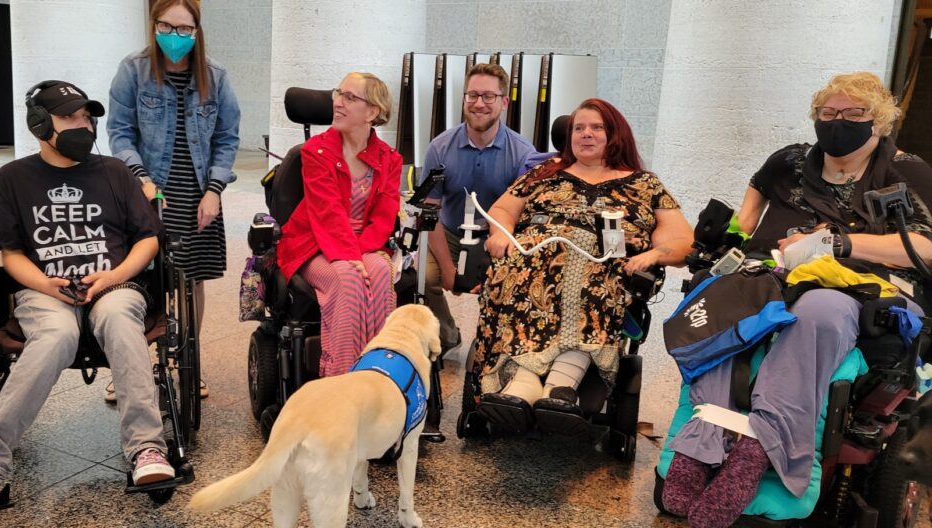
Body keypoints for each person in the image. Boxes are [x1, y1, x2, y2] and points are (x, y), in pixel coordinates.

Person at [661, 72, 932, 528]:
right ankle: (699, 444)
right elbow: (757, 189)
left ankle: (755, 453)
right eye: (828, 114)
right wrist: (737, 235)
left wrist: (841, 243)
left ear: (879, 123)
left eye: (853, 115)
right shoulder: (790, 160)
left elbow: (925, 245)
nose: (838, 123)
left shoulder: (906, 172)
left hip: (854, 285)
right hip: (772, 272)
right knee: (725, 305)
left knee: (815, 315)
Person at [0, 81, 174, 511]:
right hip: (45, 290)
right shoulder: (14, 178)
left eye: (87, 117)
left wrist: (113, 276)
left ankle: (146, 448)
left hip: (115, 284)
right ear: (39, 124)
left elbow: (148, 240)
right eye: (70, 117)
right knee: (54, 336)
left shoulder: (115, 173)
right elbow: (9, 252)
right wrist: (44, 283)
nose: (82, 125)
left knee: (121, 319)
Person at [472, 98, 693, 420]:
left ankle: (559, 384)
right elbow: (503, 209)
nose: (585, 134)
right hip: (531, 263)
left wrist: (652, 255)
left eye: (596, 127)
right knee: (530, 276)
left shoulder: (644, 183)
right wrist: (499, 234)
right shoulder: (544, 173)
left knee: (587, 273)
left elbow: (681, 239)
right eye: (579, 128)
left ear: (614, 135)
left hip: (606, 267)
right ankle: (525, 384)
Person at [107, 0, 241, 400]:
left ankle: (187, 363)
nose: (175, 36)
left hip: (198, 193)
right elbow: (119, 132)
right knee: (141, 279)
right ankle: (131, 369)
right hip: (147, 191)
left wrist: (214, 192)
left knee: (192, 281)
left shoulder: (215, 75)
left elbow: (227, 137)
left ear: (197, 31)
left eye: (184, 29)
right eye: (167, 26)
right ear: (154, 25)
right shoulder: (133, 69)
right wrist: (141, 179)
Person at [276, 72, 403, 377]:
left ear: (372, 112)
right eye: (338, 93)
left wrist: (359, 254)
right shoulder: (315, 151)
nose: (338, 102)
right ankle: (340, 377)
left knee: (381, 274)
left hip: (366, 243)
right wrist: (350, 257)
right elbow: (327, 212)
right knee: (346, 278)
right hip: (314, 242)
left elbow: (384, 215)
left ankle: (376, 373)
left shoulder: (390, 159)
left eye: (350, 97)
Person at [420, 63, 537, 353]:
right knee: (423, 276)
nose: (479, 104)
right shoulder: (439, 148)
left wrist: (490, 263)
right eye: (472, 95)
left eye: (488, 96)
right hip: (448, 231)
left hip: (495, 237)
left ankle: (492, 345)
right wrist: (448, 268)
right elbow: (429, 214)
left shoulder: (523, 153)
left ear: (504, 102)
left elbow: (523, 219)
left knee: (508, 281)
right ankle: (446, 335)